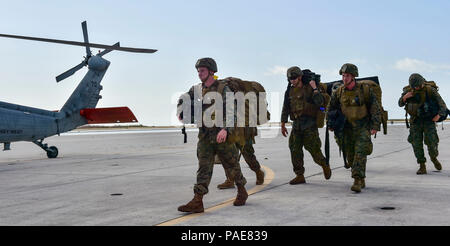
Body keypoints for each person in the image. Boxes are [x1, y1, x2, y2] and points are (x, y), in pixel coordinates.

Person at [177, 58, 248, 213]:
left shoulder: (223, 89)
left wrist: (226, 130)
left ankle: (242, 190)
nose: (199, 73)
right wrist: (181, 112)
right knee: (203, 167)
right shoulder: (196, 89)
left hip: (221, 134)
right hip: (205, 135)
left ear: (211, 72)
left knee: (232, 165)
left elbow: (232, 111)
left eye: (202, 70)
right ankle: (198, 201)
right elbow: (184, 99)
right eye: (198, 71)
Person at [327, 63, 381, 193]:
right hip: (346, 128)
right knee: (350, 157)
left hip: (362, 127)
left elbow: (375, 108)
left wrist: (375, 126)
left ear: (354, 77)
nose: (344, 78)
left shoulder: (365, 90)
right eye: (343, 76)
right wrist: (330, 123)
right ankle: (360, 177)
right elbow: (331, 108)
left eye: (347, 76)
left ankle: (357, 180)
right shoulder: (338, 92)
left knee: (360, 153)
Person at [280, 66, 332, 185]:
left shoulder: (310, 88)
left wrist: (314, 88)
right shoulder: (290, 91)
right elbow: (285, 108)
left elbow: (320, 103)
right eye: (289, 79)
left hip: (309, 124)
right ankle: (299, 175)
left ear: (300, 77)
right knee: (294, 149)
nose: (292, 80)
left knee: (313, 149)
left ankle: (324, 164)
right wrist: (283, 124)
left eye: (294, 78)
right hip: (297, 124)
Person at [398, 73, 447, 174]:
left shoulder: (430, 90)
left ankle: (434, 158)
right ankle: (422, 165)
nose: (418, 87)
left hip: (429, 121)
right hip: (415, 122)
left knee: (432, 142)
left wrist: (439, 115)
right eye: (416, 86)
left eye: (419, 85)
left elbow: (442, 105)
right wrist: (404, 98)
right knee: (416, 144)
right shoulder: (408, 91)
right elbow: (399, 103)